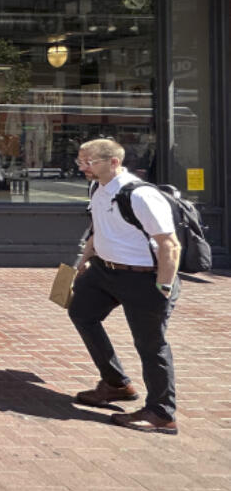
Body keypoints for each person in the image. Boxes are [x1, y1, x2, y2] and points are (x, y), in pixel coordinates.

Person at [68, 138, 181, 435]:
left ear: (113, 162)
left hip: (145, 277)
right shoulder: (98, 187)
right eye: (80, 161)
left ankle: (161, 412)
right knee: (81, 313)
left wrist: (164, 287)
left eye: (88, 162)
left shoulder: (141, 195)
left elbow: (169, 244)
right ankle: (116, 383)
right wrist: (85, 259)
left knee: (150, 344)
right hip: (105, 271)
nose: (82, 167)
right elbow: (99, 228)